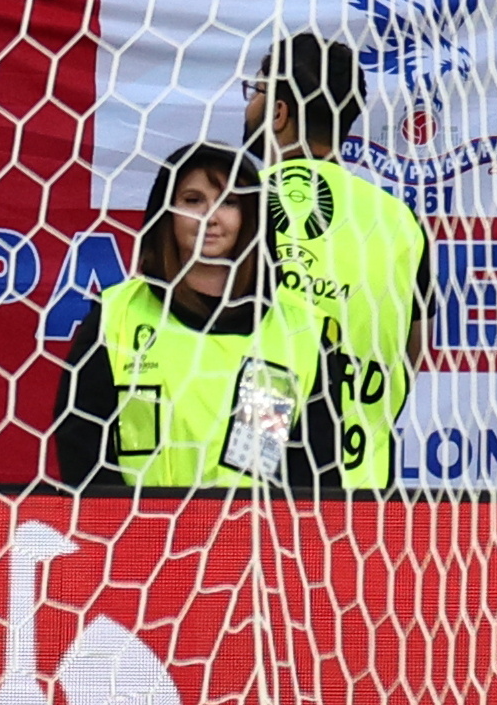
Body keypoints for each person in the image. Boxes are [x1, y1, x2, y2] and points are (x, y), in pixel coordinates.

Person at [59, 142, 340, 492]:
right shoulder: (116, 316)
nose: (212, 215)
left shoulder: (300, 332)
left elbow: (316, 475)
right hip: (138, 538)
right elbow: (81, 452)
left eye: (229, 202)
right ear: (168, 212)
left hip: (254, 541)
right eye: (193, 200)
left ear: (250, 215)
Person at [252, 35, 425, 496]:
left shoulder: (238, 204)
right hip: (362, 491)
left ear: (279, 112)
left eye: (254, 90)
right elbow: (409, 352)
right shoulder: (400, 222)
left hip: (253, 483)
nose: (248, 104)